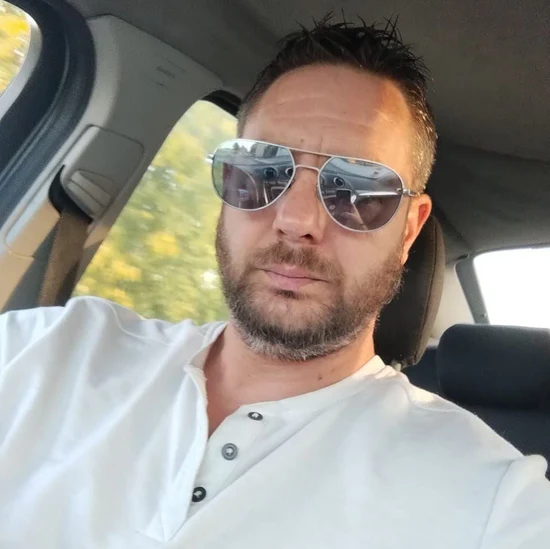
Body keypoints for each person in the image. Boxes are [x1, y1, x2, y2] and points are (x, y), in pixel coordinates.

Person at [0, 16, 549, 549]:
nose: (297, 220)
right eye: (262, 170)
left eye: (358, 190)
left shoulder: (490, 500)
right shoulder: (47, 352)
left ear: (408, 230)